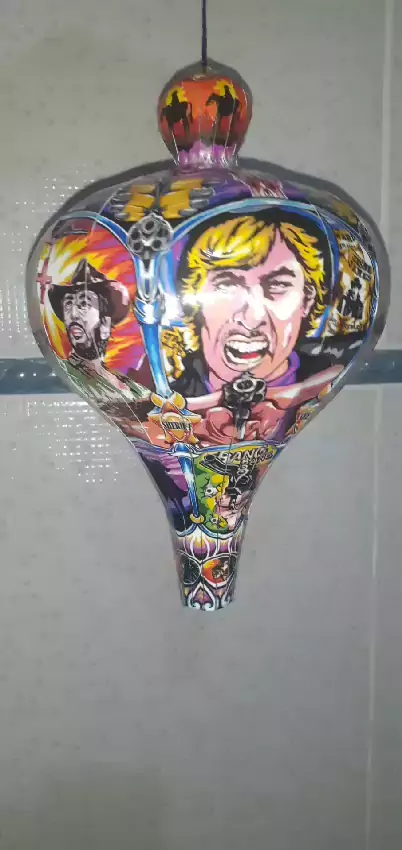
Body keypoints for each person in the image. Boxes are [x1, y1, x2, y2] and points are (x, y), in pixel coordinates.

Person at [162, 211, 343, 443]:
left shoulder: (336, 381)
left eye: (277, 285)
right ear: (192, 301)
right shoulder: (163, 402)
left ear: (307, 301)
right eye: (226, 285)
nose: (252, 318)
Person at [47, 259, 148, 403]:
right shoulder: (65, 375)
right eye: (68, 304)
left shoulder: (130, 386)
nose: (73, 314)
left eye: (84, 304)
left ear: (105, 324)